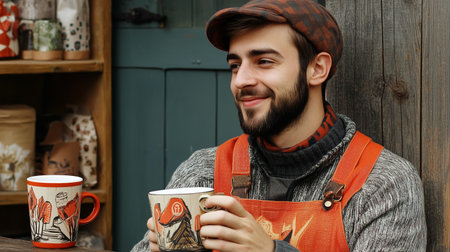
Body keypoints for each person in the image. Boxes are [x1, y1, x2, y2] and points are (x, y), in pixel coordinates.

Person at [131, 0, 427, 251]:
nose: (241, 80)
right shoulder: (204, 172)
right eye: (235, 65)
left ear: (316, 69)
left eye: (264, 61)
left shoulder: (382, 183)